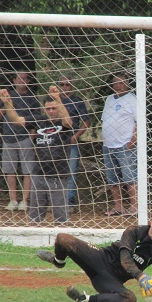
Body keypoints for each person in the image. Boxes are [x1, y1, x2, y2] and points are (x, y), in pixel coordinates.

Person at [36, 211, 152, 302]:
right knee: (63, 238)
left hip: (110, 279)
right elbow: (125, 258)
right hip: (100, 258)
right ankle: (58, 262)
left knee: (130, 300)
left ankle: (84, 298)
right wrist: (141, 276)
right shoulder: (134, 231)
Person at [0, 85, 73, 225]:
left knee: (61, 219)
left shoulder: (63, 125)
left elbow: (68, 122)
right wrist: (8, 103)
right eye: (48, 109)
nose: (51, 111)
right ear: (44, 109)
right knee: (34, 219)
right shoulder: (39, 121)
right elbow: (16, 120)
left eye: (54, 108)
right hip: (38, 174)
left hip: (58, 175)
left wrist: (58, 99)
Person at [0, 71, 40, 211]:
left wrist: (32, 134)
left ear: (28, 81)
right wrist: (7, 104)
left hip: (24, 137)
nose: (22, 81)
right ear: (14, 81)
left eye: (25, 78)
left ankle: (25, 201)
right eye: (19, 78)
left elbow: (37, 118)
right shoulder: (8, 95)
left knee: (27, 170)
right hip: (8, 138)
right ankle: (13, 200)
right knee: (10, 171)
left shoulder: (32, 98)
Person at [101, 72, 138, 216]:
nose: (118, 85)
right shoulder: (109, 99)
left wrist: (133, 140)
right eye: (116, 82)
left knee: (129, 177)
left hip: (125, 144)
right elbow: (105, 120)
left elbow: (139, 121)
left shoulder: (132, 99)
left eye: (122, 82)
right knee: (112, 178)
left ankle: (134, 208)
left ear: (127, 84)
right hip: (108, 144)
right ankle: (118, 207)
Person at [57, 74, 91, 211]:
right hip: (55, 143)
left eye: (68, 84)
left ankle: (69, 202)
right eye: (62, 84)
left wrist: (75, 136)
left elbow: (87, 121)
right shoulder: (54, 101)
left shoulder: (77, 101)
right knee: (56, 173)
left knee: (71, 172)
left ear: (72, 86)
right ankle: (56, 201)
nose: (65, 87)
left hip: (71, 142)